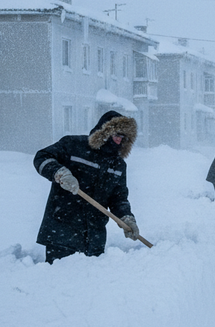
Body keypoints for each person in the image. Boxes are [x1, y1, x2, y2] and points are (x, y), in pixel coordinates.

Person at [33, 110, 140, 264]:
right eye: (117, 134)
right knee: (57, 277)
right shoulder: (74, 145)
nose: (119, 139)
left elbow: (118, 198)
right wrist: (59, 173)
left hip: (94, 239)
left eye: (123, 137)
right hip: (62, 233)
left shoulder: (118, 165)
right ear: (105, 131)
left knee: (91, 279)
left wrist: (126, 218)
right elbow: (42, 157)